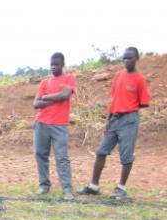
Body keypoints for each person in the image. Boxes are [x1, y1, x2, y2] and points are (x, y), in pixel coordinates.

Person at [79, 47, 151, 200]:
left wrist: (129, 106)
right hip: (114, 119)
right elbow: (115, 99)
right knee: (101, 152)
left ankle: (121, 188)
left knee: (126, 156)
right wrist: (108, 120)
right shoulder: (119, 75)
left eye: (130, 58)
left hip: (129, 120)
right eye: (124, 58)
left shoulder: (139, 79)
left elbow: (144, 103)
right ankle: (94, 186)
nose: (126, 61)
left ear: (136, 59)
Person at [32, 52, 77, 200]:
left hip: (59, 125)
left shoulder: (69, 78)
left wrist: (45, 97)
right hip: (42, 123)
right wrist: (54, 98)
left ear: (62, 65)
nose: (53, 67)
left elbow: (64, 95)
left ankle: (67, 189)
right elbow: (35, 104)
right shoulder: (45, 82)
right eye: (51, 64)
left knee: (62, 157)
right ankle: (44, 185)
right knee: (40, 154)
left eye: (56, 64)